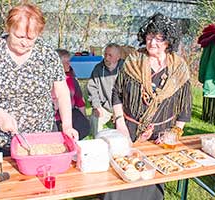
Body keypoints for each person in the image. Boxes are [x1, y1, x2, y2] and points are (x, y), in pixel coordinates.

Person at [0, 3, 78, 156]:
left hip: (42, 139)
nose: (25, 42)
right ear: (8, 28)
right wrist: (0, 115)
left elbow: (62, 91)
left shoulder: (47, 54)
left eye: (31, 38)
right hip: (0, 140)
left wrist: (67, 126)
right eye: (19, 36)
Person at [106, 13, 192, 200]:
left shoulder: (179, 68)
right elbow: (116, 94)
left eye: (159, 38)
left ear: (169, 41)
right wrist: (120, 123)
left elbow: (185, 107)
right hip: (129, 130)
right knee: (122, 175)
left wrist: (175, 132)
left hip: (160, 135)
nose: (153, 43)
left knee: (150, 180)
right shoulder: (133, 62)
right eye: (150, 37)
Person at [87, 43, 124, 137]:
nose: (106, 58)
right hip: (105, 107)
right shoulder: (98, 68)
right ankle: (97, 143)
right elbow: (92, 87)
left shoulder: (126, 68)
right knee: (95, 118)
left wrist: (120, 111)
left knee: (124, 132)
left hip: (123, 108)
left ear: (118, 57)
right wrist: (96, 106)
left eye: (110, 55)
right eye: (105, 54)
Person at [53, 49, 90, 139]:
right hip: (54, 117)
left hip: (71, 113)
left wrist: (84, 117)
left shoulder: (72, 79)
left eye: (69, 62)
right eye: (65, 62)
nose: (69, 64)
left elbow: (79, 100)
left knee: (82, 128)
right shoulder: (48, 80)